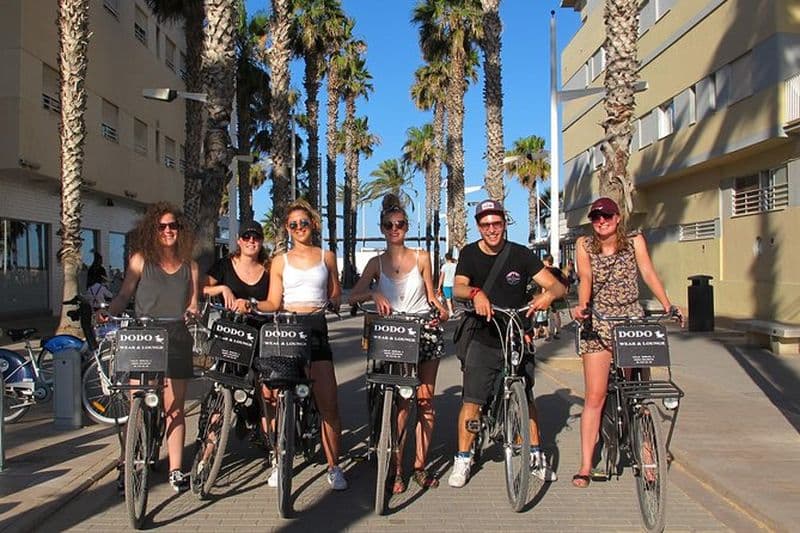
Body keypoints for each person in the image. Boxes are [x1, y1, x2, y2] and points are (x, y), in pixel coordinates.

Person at [448, 199, 565, 488]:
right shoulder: (470, 254)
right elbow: (458, 287)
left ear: (504, 223)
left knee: (526, 397)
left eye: (496, 223)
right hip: (483, 336)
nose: (491, 229)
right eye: (485, 224)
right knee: (473, 401)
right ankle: (463, 457)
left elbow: (558, 286)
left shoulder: (521, 255)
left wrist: (547, 297)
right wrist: (475, 293)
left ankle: (536, 456)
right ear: (478, 226)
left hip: (516, 334)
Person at [571, 197, 683, 488]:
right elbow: (585, 277)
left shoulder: (634, 242)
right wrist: (583, 306)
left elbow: (647, 272)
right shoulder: (584, 245)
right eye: (596, 217)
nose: (601, 222)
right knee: (595, 396)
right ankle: (585, 464)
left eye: (607, 216)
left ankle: (647, 457)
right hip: (598, 321)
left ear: (618, 218)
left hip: (632, 323)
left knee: (638, 395)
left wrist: (668, 304)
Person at [349, 193, 449, 493]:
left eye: (401, 224)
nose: (395, 229)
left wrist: (441, 312)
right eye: (389, 225)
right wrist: (373, 294)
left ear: (407, 227)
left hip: (422, 330)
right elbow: (353, 296)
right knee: (401, 404)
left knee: (425, 401)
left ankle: (419, 465)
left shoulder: (421, 257)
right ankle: (395, 469)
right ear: (382, 228)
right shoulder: (375, 263)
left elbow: (432, 297)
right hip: (392, 335)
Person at [105, 202, 200, 492]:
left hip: (177, 335)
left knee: (174, 408)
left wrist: (193, 312)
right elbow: (124, 295)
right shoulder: (140, 259)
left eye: (173, 226)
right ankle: (128, 463)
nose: (168, 231)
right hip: (144, 334)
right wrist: (110, 310)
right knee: (138, 401)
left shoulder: (190, 266)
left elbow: (193, 303)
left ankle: (175, 469)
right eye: (162, 227)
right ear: (153, 230)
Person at [255, 199, 348, 490]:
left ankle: (334, 466)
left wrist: (335, 301)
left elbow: (335, 291)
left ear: (313, 225)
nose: (298, 228)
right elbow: (272, 300)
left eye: (303, 223)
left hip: (317, 328)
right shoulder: (279, 260)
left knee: (328, 404)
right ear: (287, 228)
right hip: (286, 328)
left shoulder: (327, 257)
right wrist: (252, 305)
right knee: (277, 400)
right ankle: (278, 460)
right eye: (293, 224)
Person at [542, 254, 570, 341]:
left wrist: (543, 295)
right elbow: (565, 280)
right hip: (558, 294)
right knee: (557, 314)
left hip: (549, 294)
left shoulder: (545, 271)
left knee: (548, 315)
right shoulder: (558, 270)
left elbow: (544, 284)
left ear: (546, 261)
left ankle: (549, 333)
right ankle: (558, 331)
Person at [436, 252, 457, 317]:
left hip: (446, 284)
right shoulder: (455, 266)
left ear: (445, 258)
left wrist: (439, 287)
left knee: (448, 299)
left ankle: (451, 312)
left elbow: (442, 277)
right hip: (454, 284)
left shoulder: (444, 266)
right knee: (453, 299)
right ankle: (453, 310)